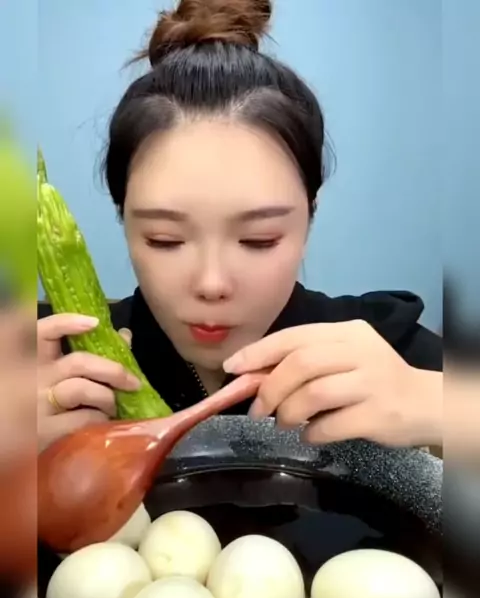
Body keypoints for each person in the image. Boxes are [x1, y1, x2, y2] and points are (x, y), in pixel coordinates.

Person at [37, 0, 442, 453]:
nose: (212, 284)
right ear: (122, 213)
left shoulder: (387, 348)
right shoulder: (51, 364)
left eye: (258, 239)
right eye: (164, 240)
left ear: (309, 215)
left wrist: (440, 407)